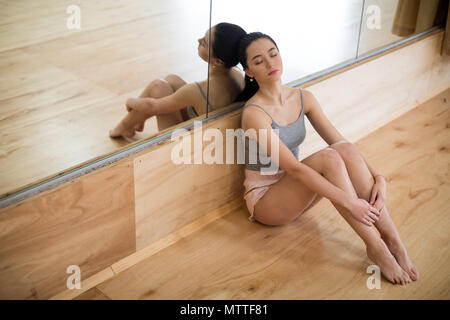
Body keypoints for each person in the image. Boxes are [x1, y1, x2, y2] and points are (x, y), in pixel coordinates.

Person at [239, 32, 418, 285]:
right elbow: (294, 169)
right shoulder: (254, 113)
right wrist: (350, 202)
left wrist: (379, 176)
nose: (270, 64)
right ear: (248, 71)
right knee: (329, 159)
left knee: (341, 150)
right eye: (258, 61)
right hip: (267, 202)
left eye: (273, 54)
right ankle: (375, 246)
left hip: (298, 193)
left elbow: (342, 143)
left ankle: (393, 241)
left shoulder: (303, 98)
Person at [109, 23, 246, 138]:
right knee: (171, 79)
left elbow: (153, 106)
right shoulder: (237, 75)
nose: (198, 40)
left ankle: (124, 126)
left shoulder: (199, 90)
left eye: (203, 42)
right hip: (209, 130)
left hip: (186, 145)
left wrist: (131, 101)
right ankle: (136, 121)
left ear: (217, 61)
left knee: (158, 86)